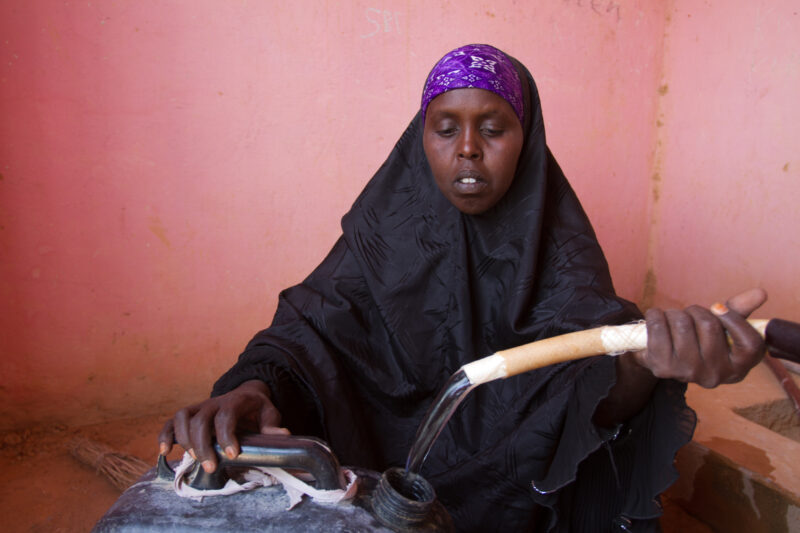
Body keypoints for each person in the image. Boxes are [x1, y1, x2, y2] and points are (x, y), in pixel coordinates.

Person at [159, 44, 766, 532]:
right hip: (373, 476)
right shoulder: (382, 230)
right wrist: (254, 385)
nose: (468, 149)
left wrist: (646, 362)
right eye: (446, 128)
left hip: (510, 489)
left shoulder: (561, 251)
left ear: (526, 140)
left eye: (493, 128)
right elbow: (307, 330)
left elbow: (586, 386)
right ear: (420, 139)